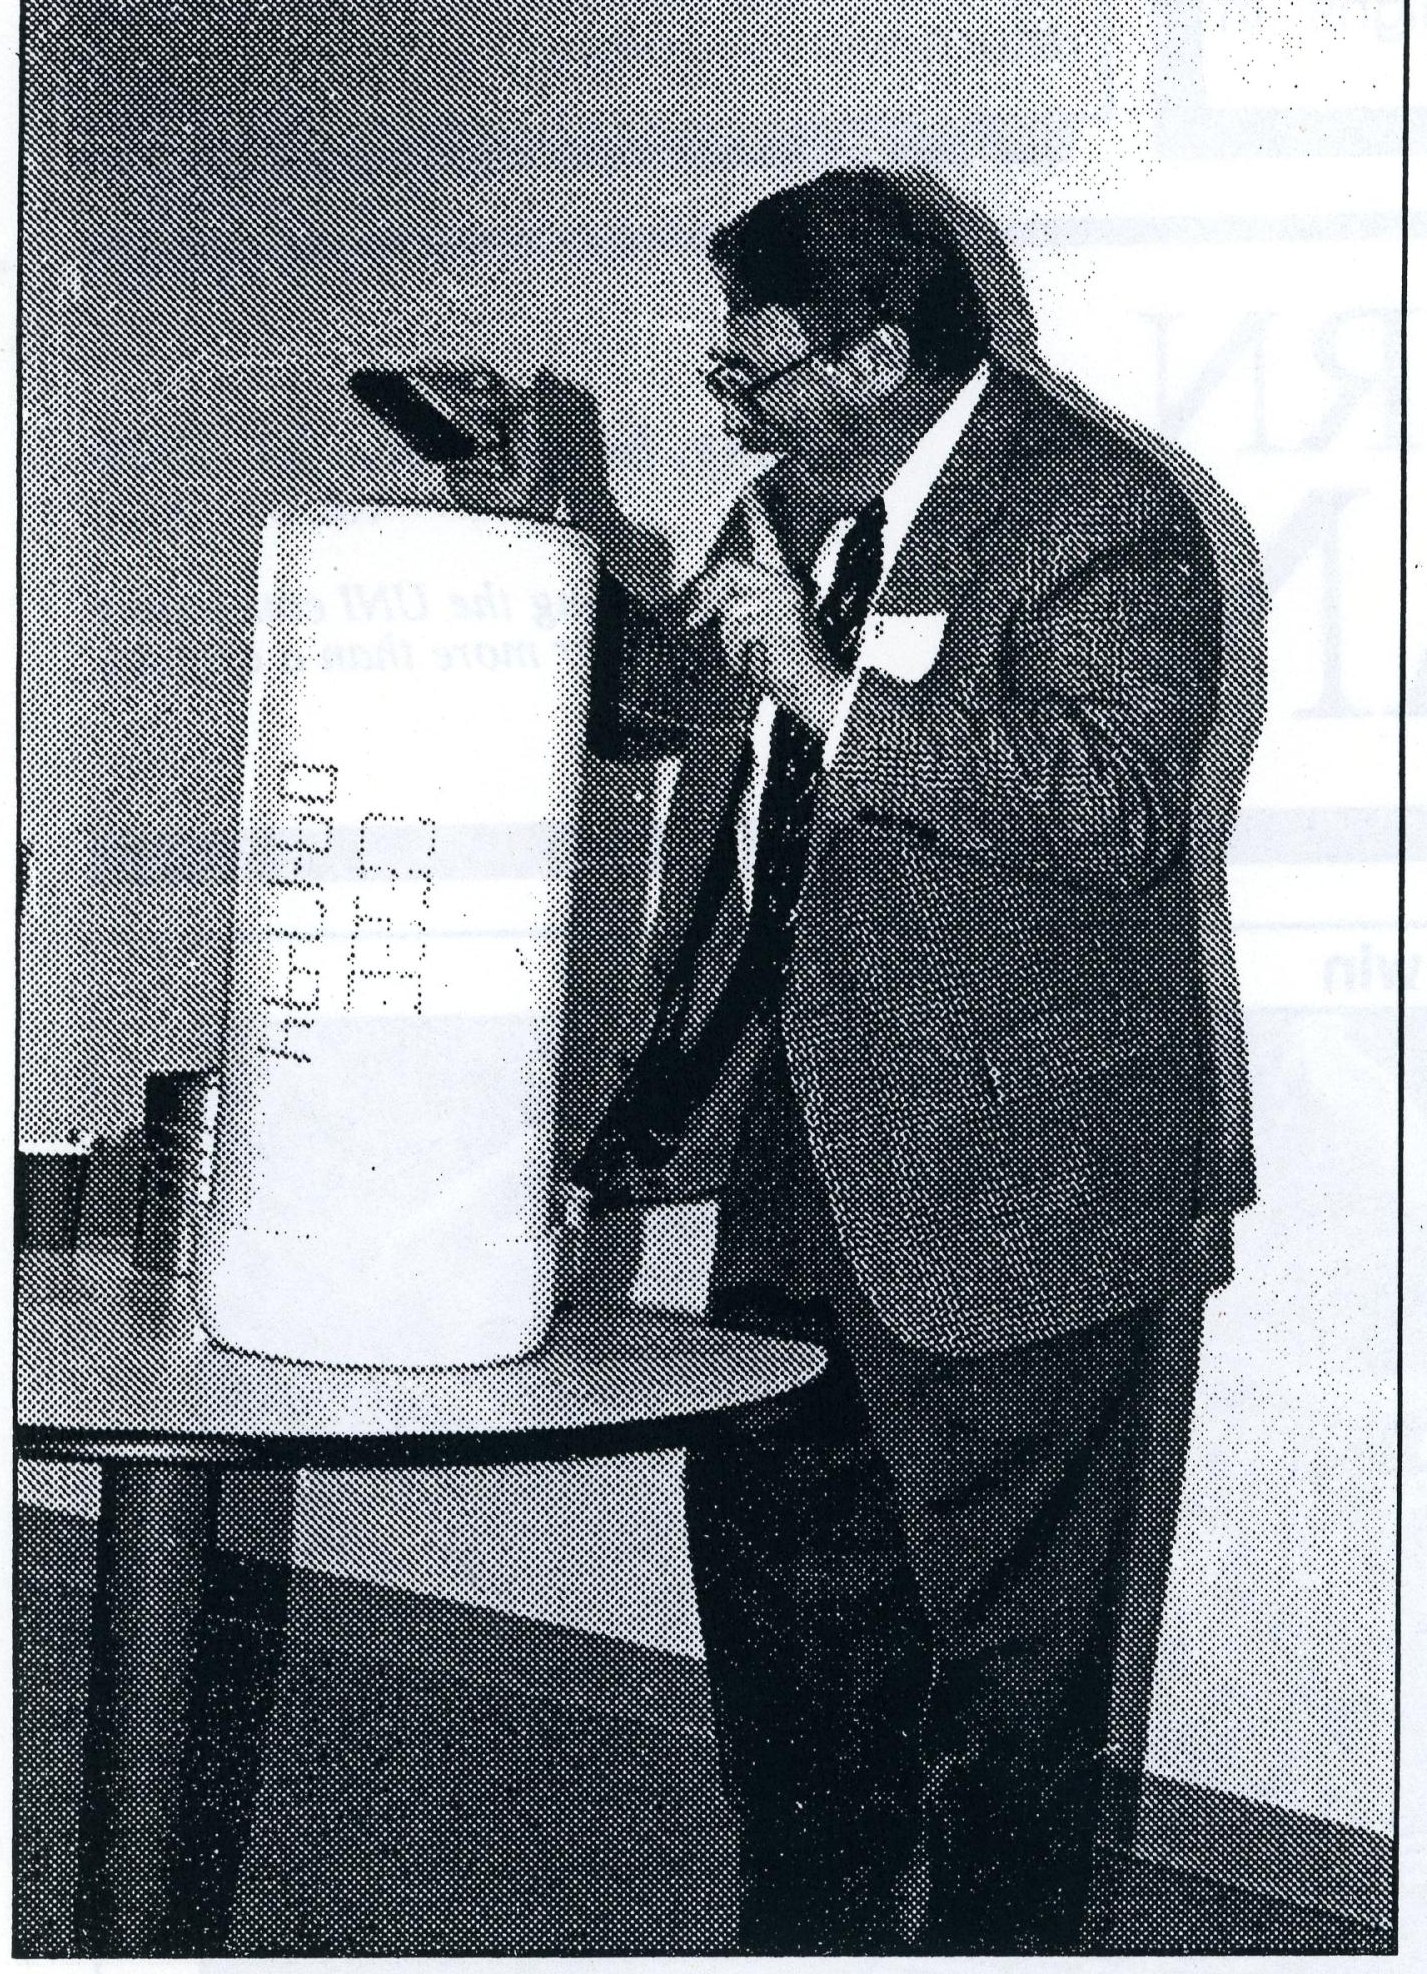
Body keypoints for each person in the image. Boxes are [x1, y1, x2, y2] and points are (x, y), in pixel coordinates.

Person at [448, 166, 1246, 1953]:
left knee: (1007, 1661)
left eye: (755, 368)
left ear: (880, 351)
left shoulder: (1099, 515)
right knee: (789, 1618)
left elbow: (1114, 810)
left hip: (1017, 1175)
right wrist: (535, 535)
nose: (730, 399)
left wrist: (832, 699)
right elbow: (673, 697)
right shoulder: (795, 502)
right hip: (797, 1146)